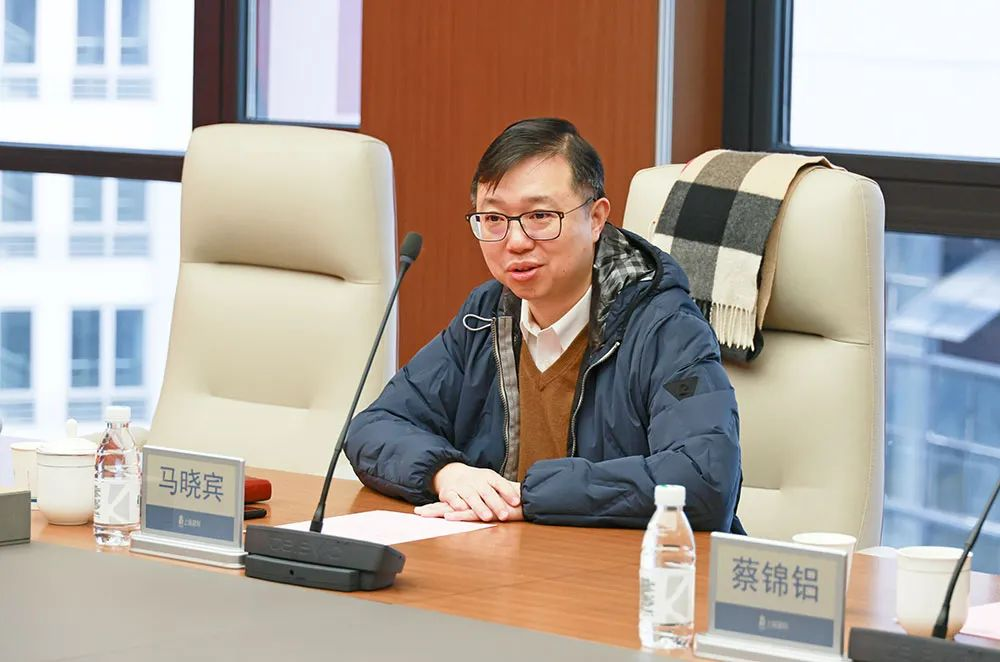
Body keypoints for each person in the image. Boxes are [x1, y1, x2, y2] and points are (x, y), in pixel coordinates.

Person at [345, 118, 743, 531]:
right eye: (493, 219)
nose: (515, 241)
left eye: (539, 216)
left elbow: (705, 481)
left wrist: (532, 496)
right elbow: (373, 428)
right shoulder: (487, 315)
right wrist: (446, 473)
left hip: (635, 566)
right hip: (508, 558)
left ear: (596, 218)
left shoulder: (665, 327)